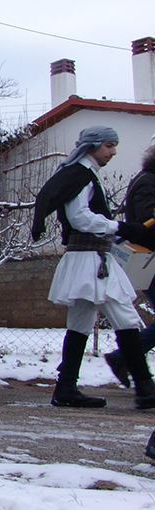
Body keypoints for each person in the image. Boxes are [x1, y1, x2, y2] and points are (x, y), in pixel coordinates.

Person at [31, 127, 155, 409]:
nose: (113, 152)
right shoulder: (81, 175)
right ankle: (145, 388)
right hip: (91, 259)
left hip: (89, 258)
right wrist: (119, 227)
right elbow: (80, 218)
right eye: (109, 146)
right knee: (125, 317)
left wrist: (118, 229)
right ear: (92, 146)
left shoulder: (82, 173)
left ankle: (65, 388)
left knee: (80, 323)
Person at [103, 145, 155, 387]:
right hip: (149, 260)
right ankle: (122, 357)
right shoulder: (148, 183)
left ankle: (122, 358)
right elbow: (147, 222)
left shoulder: (147, 180)